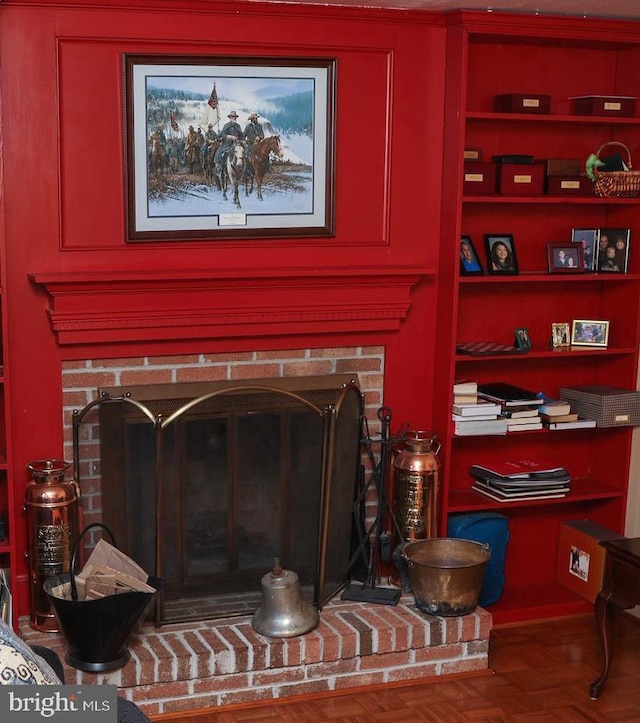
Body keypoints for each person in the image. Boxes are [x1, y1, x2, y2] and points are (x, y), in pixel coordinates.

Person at [214, 110, 245, 176]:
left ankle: (244, 170)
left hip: (236, 144)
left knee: (243, 153)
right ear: (230, 118)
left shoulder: (238, 126)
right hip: (227, 144)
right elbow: (222, 135)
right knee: (223, 154)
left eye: (235, 117)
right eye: (232, 117)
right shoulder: (226, 125)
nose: (234, 118)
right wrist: (230, 137)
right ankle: (221, 169)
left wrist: (242, 140)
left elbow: (241, 136)